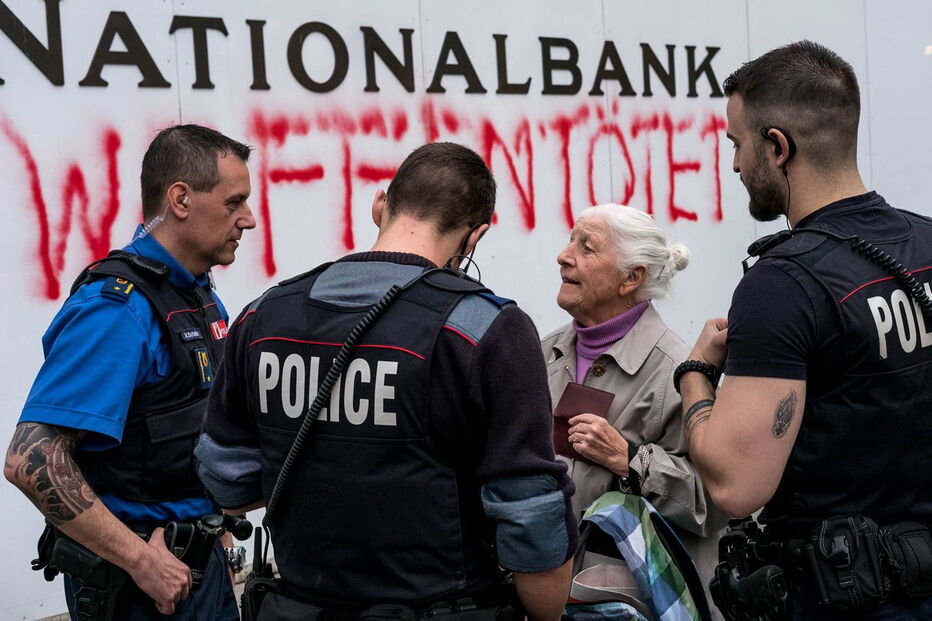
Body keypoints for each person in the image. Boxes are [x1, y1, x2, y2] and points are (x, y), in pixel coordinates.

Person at [195, 141, 578, 620]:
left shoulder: (263, 315)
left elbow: (226, 483)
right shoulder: (487, 329)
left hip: (294, 607)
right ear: (474, 236)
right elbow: (531, 512)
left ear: (380, 205)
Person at [679, 40, 932, 619]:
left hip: (844, 598)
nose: (735, 165)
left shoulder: (784, 284)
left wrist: (694, 374)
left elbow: (736, 487)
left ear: (777, 146)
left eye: (737, 144)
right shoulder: (925, 242)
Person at [4, 124, 256, 620]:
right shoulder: (117, 310)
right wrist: (141, 561)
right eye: (234, 203)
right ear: (181, 199)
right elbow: (30, 458)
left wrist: (220, 542)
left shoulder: (195, 291)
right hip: (140, 590)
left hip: (198, 569)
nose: (247, 219)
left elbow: (196, 431)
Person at [541, 204, 726, 608]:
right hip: (549, 595)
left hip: (635, 603)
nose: (563, 255)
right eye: (571, 240)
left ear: (632, 278)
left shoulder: (680, 372)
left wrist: (630, 460)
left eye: (586, 247)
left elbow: (714, 502)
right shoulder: (544, 353)